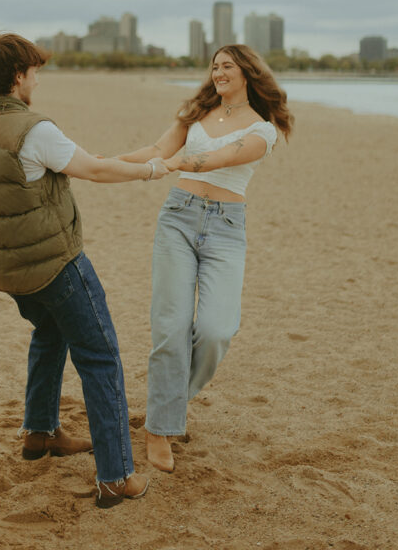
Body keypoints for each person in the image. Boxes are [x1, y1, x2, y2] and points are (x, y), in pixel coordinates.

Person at [0, 33, 168, 508]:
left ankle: (40, 432)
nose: (38, 79)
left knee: (50, 335)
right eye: (34, 71)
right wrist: (152, 170)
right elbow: (96, 170)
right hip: (54, 264)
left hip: (7, 269)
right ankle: (116, 476)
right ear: (17, 77)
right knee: (101, 356)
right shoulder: (32, 128)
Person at [116, 44, 293, 473]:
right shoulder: (195, 112)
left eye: (227, 66)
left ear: (248, 72)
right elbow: (154, 149)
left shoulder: (263, 129)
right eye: (214, 66)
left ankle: (166, 403)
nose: (218, 72)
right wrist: (103, 162)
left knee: (216, 330)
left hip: (226, 229)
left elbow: (221, 158)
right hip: (177, 217)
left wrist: (171, 164)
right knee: (170, 328)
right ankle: (160, 428)